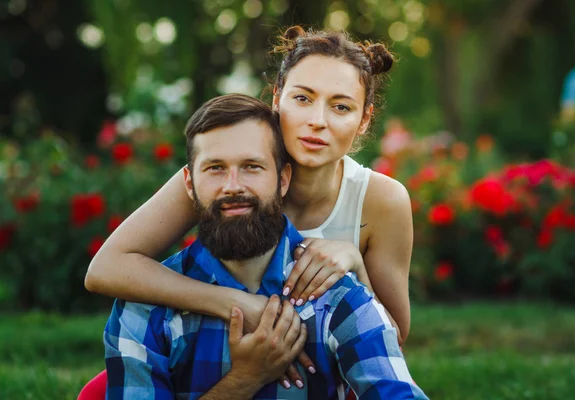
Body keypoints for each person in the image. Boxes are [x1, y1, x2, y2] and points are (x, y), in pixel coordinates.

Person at [82, 26, 414, 395]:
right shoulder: (230, 175)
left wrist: (354, 260)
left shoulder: (380, 199)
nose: (318, 120)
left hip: (323, 369)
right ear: (277, 97)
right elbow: (106, 268)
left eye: (341, 106)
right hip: (205, 355)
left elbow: (390, 342)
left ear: (364, 119)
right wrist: (241, 305)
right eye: (303, 98)